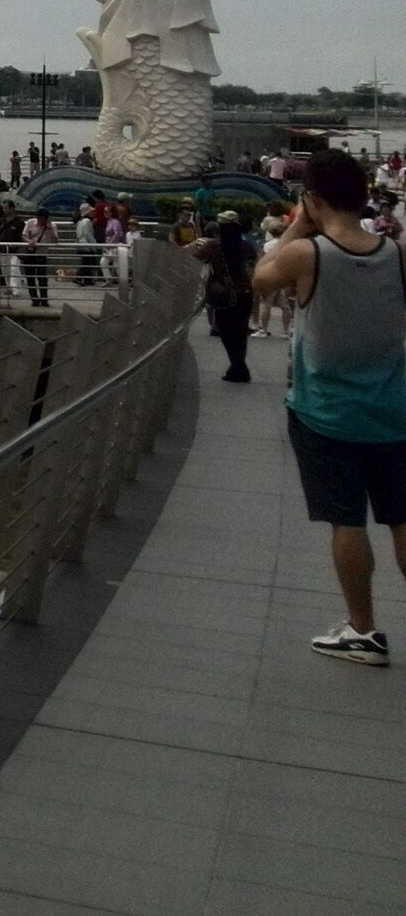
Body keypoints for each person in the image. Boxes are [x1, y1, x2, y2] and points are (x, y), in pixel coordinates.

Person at [251, 150, 406, 664]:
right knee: (402, 518)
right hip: (395, 411)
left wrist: (298, 223)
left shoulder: (307, 254)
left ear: (313, 200)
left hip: (327, 415)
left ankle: (363, 631)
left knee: (348, 521)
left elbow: (261, 277)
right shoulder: (398, 252)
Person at [192, 210, 255, 381]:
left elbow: (193, 258)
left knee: (226, 330)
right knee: (241, 332)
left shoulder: (213, 246)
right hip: (245, 293)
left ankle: (237, 367)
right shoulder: (246, 245)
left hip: (225, 294)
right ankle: (238, 367)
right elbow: (253, 265)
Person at [20, 206, 57, 308]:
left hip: (41, 254)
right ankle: (34, 299)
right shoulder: (30, 222)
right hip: (30, 253)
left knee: (42, 278)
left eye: (43, 220)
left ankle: (44, 299)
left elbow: (55, 240)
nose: (41, 222)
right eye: (39, 219)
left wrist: (49, 228)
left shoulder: (52, 226)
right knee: (30, 277)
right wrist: (29, 241)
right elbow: (23, 235)